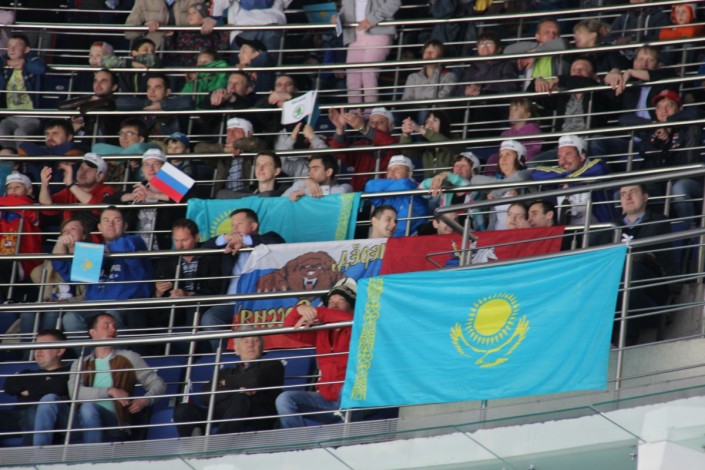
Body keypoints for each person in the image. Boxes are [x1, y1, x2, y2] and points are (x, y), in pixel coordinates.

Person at [68, 313, 166, 443]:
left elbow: (158, 383)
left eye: (114, 326)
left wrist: (145, 400)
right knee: (52, 402)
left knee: (88, 407)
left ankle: (93, 454)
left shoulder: (129, 357)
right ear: (93, 332)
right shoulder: (81, 363)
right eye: (106, 326)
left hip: (115, 420)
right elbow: (74, 393)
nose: (112, 329)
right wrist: (110, 391)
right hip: (81, 420)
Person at [276, 278, 357, 428]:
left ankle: (346, 432)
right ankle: (298, 441)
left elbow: (351, 320)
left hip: (353, 398)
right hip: (326, 400)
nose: (334, 304)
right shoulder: (321, 331)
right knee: (284, 399)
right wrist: (299, 309)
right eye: (331, 301)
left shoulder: (357, 326)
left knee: (348, 387)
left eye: (341, 301)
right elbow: (289, 329)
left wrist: (316, 312)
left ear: (352, 307)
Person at [56, 207, 153, 334]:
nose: (111, 224)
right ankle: (89, 348)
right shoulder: (93, 251)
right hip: (94, 307)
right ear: (99, 227)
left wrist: (96, 251)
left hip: (124, 306)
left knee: (110, 318)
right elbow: (70, 275)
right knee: (71, 318)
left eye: (116, 220)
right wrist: (60, 244)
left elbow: (125, 246)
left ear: (125, 226)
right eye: (106, 220)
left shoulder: (135, 241)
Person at [200, 209, 285, 352]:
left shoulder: (267, 239)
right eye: (232, 225)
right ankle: (225, 357)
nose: (235, 228)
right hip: (231, 303)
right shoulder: (229, 246)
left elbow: (276, 242)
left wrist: (244, 240)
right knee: (210, 318)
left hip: (260, 303)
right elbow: (203, 248)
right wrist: (226, 238)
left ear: (253, 226)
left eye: (239, 223)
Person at [173, 333, 284, 437]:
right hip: (224, 413)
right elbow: (205, 394)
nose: (250, 344)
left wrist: (225, 383)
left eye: (255, 340)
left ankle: (218, 443)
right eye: (245, 341)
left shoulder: (273, 365)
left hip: (258, 416)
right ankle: (195, 446)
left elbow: (255, 379)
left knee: (241, 398)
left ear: (262, 346)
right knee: (184, 410)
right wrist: (237, 390)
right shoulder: (226, 372)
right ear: (236, 349)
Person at [620, 89, 703, 226]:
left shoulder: (688, 127)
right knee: (625, 193)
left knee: (679, 189)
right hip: (659, 184)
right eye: (659, 107)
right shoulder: (652, 130)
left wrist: (669, 123)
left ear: (680, 109)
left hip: (689, 181)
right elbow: (624, 119)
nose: (663, 111)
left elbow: (696, 112)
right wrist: (654, 126)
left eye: (669, 106)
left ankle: (689, 230)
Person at [613, 184, 678, 346]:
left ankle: (627, 339)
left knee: (631, 267)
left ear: (645, 197)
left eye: (633, 192)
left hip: (655, 282)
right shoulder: (611, 226)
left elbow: (639, 250)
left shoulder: (659, 221)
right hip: (618, 277)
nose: (628, 197)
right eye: (623, 194)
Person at [108, 148, 190, 250]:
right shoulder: (139, 188)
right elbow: (109, 201)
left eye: (156, 164)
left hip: (164, 249)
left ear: (165, 168)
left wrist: (154, 195)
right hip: (136, 249)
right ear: (142, 170)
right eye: (146, 165)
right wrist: (131, 196)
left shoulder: (176, 187)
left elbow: (191, 200)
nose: (151, 169)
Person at [21, 218, 90, 336]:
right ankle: (28, 348)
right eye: (64, 231)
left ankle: (47, 345)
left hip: (74, 304)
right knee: (27, 312)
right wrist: (59, 245)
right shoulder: (56, 255)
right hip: (53, 301)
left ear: (84, 235)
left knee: (52, 312)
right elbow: (37, 274)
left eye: (73, 228)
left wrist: (65, 302)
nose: (67, 232)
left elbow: (88, 294)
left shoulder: (90, 256)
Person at [3, 329, 70, 446]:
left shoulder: (68, 373)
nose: (38, 351)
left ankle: (32, 456)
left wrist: (29, 390)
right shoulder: (27, 372)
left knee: (34, 411)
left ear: (60, 351)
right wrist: (43, 386)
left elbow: (58, 389)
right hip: (17, 416)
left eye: (44, 346)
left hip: (43, 418)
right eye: (36, 346)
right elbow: (9, 386)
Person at [153, 218, 221, 329]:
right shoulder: (167, 261)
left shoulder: (210, 256)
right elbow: (157, 294)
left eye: (184, 240)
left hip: (201, 304)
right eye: (176, 240)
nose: (180, 246)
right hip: (174, 308)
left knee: (193, 308)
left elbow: (215, 289)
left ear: (196, 237)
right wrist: (158, 292)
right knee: (138, 311)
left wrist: (187, 294)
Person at [531, 135, 613, 226]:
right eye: (559, 157)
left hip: (598, 228)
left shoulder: (595, 167)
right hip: (564, 231)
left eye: (568, 154)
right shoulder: (559, 175)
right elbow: (536, 174)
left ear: (582, 155)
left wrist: (569, 181)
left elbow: (599, 168)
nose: (563, 161)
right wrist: (568, 176)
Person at [340, 0, 401, 105]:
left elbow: (394, 2)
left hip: (379, 31)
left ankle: (370, 113)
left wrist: (371, 20)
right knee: (352, 76)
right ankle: (354, 112)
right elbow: (345, 10)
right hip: (354, 34)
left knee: (368, 73)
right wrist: (338, 18)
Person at [327, 107, 398, 191]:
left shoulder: (396, 142)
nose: (375, 126)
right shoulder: (362, 145)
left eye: (380, 122)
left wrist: (363, 127)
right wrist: (340, 129)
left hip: (385, 195)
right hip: (358, 195)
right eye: (372, 122)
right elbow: (341, 153)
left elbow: (386, 141)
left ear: (391, 126)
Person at [39, 153, 115, 231]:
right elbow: (47, 209)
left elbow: (97, 208)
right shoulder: (69, 191)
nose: (83, 172)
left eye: (89, 170)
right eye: (81, 168)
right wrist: (44, 184)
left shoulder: (107, 190)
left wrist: (71, 184)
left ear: (100, 176)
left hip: (94, 237)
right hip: (69, 236)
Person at [364, 155, 430, 236]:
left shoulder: (417, 188)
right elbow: (370, 186)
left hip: (414, 238)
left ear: (409, 173)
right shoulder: (387, 196)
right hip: (389, 239)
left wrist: (384, 188)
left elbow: (405, 184)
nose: (391, 173)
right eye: (389, 170)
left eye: (397, 169)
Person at [0, 33, 46, 149]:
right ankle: (11, 158)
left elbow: (40, 68)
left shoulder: (32, 59)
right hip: (10, 116)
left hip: (31, 116)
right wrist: (7, 63)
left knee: (20, 133)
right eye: (9, 46)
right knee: (1, 132)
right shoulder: (4, 61)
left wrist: (23, 64)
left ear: (26, 50)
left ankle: (22, 159)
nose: (12, 49)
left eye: (16, 46)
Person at [419, 152, 485, 231]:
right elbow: (421, 189)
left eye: (464, 166)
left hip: (472, 233)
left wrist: (445, 175)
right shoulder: (447, 192)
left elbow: (465, 185)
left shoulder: (477, 189)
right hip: (447, 231)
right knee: (423, 229)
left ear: (473, 171)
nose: (459, 169)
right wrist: (436, 180)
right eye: (456, 166)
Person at [503, 18, 568, 90]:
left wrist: (535, 53)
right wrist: (535, 50)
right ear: (537, 36)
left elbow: (563, 43)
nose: (552, 35)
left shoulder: (562, 52)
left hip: (554, 93)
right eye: (547, 32)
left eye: (555, 33)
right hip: (530, 94)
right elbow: (507, 51)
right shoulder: (531, 50)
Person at [482, 98, 543, 175]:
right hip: (506, 164)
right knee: (493, 157)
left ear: (527, 115)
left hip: (523, 164)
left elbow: (535, 150)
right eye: (510, 109)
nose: (511, 112)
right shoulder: (505, 134)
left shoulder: (533, 130)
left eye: (516, 110)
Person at [401, 39, 458, 116]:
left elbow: (442, 99)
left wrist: (420, 100)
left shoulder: (449, 76)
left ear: (441, 56)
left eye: (432, 52)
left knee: (424, 111)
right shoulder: (413, 77)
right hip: (413, 112)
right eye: (426, 52)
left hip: (437, 114)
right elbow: (406, 100)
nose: (428, 54)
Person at [17, 119, 84, 184]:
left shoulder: (76, 148)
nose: (50, 137)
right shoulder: (42, 150)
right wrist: (49, 152)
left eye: (55, 134)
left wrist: (44, 153)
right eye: (47, 134)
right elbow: (23, 147)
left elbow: (71, 149)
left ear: (69, 137)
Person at [400, 110, 459, 178]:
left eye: (434, 120)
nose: (429, 125)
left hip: (450, 184)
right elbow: (407, 153)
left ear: (444, 123)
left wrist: (419, 129)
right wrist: (406, 134)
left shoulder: (455, 141)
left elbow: (448, 145)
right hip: (429, 184)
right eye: (427, 122)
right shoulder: (425, 146)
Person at [124, 0, 199, 51]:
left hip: (187, 50)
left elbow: (203, 20)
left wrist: (206, 21)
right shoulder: (143, 1)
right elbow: (129, 33)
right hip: (154, 50)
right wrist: (145, 26)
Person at [218, 150, 291, 199]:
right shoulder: (249, 190)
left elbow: (268, 195)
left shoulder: (286, 191)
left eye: (266, 165)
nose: (261, 168)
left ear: (276, 171)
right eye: (258, 165)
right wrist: (254, 197)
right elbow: (221, 194)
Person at [282, 154, 353, 201]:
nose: (310, 173)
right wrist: (306, 182)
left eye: (315, 169)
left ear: (328, 172)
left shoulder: (344, 187)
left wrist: (305, 192)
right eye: (309, 170)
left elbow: (341, 192)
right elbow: (281, 200)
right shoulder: (301, 184)